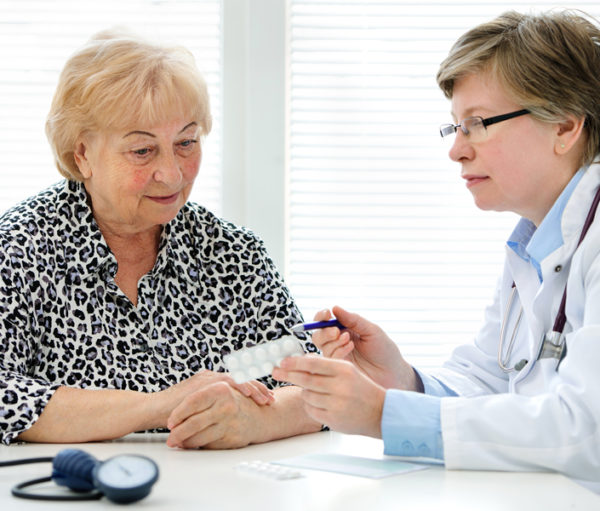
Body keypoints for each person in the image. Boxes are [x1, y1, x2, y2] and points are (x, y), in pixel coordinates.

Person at [273, 10, 600, 491]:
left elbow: (584, 429)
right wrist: (402, 381)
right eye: (456, 127)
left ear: (565, 127)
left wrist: (385, 414)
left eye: (478, 123)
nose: (457, 150)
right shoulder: (534, 243)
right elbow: (491, 380)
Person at [0, 29, 322, 449]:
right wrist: (160, 406)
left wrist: (259, 420)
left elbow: (314, 385)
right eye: (142, 151)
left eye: (186, 143)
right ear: (82, 155)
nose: (172, 174)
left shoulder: (233, 252)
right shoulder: (19, 249)